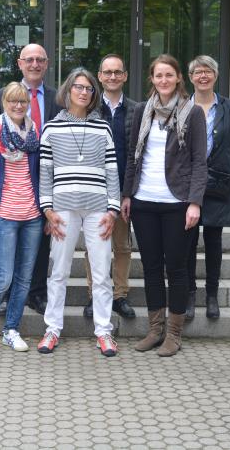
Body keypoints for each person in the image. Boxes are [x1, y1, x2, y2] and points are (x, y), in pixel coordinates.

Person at [121, 54, 207, 357]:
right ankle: (154, 329)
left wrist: (195, 202)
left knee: (177, 268)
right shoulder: (142, 111)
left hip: (177, 203)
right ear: (152, 79)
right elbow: (134, 155)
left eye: (169, 75)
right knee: (152, 268)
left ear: (179, 78)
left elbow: (200, 161)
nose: (164, 80)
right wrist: (127, 194)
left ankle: (174, 333)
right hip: (144, 202)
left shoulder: (193, 112)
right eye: (158, 76)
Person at [37, 68, 121, 357]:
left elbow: (112, 170)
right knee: (58, 271)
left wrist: (113, 209)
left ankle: (104, 332)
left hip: (98, 208)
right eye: (79, 87)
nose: (84, 92)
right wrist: (47, 209)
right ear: (68, 90)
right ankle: (52, 330)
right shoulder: (52, 128)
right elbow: (45, 171)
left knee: (101, 274)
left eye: (89, 88)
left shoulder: (103, 128)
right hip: (62, 209)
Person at [0, 43, 63, 317]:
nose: (34, 64)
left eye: (39, 59)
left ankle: (37, 292)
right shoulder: (1, 96)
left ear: (47, 63)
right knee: (9, 240)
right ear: (19, 63)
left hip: (45, 176)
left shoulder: (58, 98)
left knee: (41, 239)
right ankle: (6, 294)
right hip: (12, 180)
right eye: (28, 59)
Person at [0, 82, 44, 354]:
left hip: (33, 216)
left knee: (24, 279)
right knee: (3, 278)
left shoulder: (36, 135)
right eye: (12, 101)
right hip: (4, 215)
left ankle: (11, 330)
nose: (18, 106)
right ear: (4, 104)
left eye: (22, 102)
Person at [186, 55, 230, 320]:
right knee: (186, 243)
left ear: (216, 75)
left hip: (219, 184)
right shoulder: (182, 107)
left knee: (213, 241)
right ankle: (188, 295)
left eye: (208, 71)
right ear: (190, 77)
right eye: (198, 71)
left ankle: (211, 296)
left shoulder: (229, 108)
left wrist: (220, 167)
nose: (203, 76)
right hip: (187, 185)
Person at [82, 54, 137, 320]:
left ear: (125, 76)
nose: (113, 76)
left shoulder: (138, 110)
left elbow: (137, 154)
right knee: (95, 245)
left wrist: (128, 193)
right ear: (100, 76)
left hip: (124, 191)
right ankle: (95, 295)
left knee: (122, 246)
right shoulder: (89, 109)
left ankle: (119, 296)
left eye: (118, 72)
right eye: (107, 72)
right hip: (94, 190)